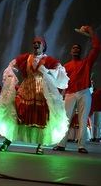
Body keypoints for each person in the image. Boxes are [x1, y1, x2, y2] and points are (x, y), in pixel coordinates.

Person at [0, 36, 70, 154]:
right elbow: (11, 65)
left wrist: (48, 72)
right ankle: (7, 141)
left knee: (42, 116)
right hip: (26, 89)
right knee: (17, 113)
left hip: (41, 92)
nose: (36, 44)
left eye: (39, 43)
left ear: (43, 46)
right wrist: (11, 76)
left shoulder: (49, 60)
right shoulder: (26, 58)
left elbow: (60, 71)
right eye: (34, 43)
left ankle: (40, 145)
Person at [53, 25, 100, 153]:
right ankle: (61, 144)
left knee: (83, 119)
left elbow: (97, 47)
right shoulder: (66, 66)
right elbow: (60, 82)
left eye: (78, 48)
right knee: (65, 119)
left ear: (80, 51)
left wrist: (91, 31)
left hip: (84, 92)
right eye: (73, 48)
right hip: (70, 93)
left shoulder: (86, 62)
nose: (76, 49)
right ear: (70, 51)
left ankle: (81, 146)